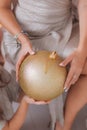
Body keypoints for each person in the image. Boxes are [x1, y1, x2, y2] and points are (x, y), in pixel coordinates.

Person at [0, 0, 87, 130]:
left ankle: (64, 123)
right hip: (22, 37)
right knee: (43, 72)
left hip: (63, 29)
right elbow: (2, 8)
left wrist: (82, 51)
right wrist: (23, 40)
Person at [0, 64, 47, 130]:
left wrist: (37, 81)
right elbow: (10, 128)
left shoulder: (1, 73)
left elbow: (17, 93)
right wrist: (25, 102)